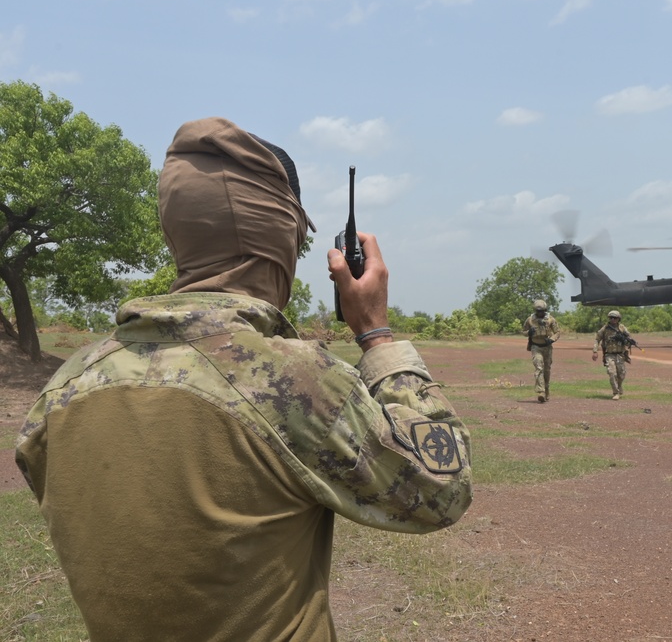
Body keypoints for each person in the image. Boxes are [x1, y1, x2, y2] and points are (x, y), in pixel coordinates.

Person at [14, 117, 472, 642]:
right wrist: (376, 333)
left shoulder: (61, 391)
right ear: (277, 238)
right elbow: (444, 489)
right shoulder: (295, 379)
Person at [522, 299, 560, 403]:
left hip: (547, 347)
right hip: (535, 346)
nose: (540, 313)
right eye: (538, 311)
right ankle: (541, 391)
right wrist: (529, 332)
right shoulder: (530, 320)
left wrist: (551, 340)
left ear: (545, 310)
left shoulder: (550, 320)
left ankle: (546, 389)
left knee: (546, 370)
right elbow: (523, 331)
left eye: (542, 311)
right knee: (539, 367)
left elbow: (557, 332)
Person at [592, 310, 633, 400]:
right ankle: (616, 392)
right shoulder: (605, 328)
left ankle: (619, 386)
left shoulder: (622, 328)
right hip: (609, 355)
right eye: (611, 318)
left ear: (619, 319)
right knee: (612, 373)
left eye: (615, 318)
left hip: (620, 355)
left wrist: (629, 341)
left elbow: (628, 338)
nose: (613, 319)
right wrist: (595, 351)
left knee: (621, 374)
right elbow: (597, 339)